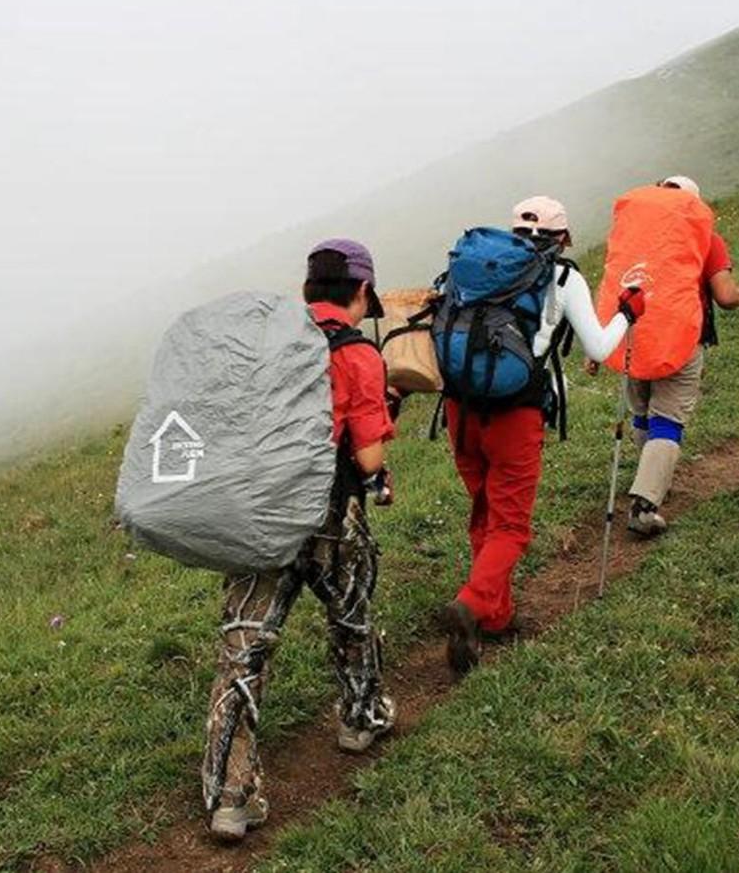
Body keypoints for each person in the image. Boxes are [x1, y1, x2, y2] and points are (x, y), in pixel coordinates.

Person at [202, 238, 398, 841]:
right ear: (361, 292)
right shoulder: (357, 353)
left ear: (307, 290)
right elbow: (367, 456)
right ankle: (359, 718)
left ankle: (230, 797)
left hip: (256, 516)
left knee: (244, 648)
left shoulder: (264, 344)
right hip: (328, 515)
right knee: (351, 615)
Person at [441, 197, 646, 676]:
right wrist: (628, 313)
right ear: (563, 238)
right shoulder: (562, 277)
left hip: (459, 408)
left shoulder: (472, 267)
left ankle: (497, 615)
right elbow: (597, 345)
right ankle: (471, 605)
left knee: (485, 511)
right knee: (511, 525)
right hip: (515, 413)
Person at [597, 175, 739, 536]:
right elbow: (725, 296)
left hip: (631, 337)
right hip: (680, 340)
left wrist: (599, 344)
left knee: (642, 414)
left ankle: (650, 478)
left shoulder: (635, 236)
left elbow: (612, 283)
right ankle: (645, 504)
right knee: (668, 419)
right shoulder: (705, 236)